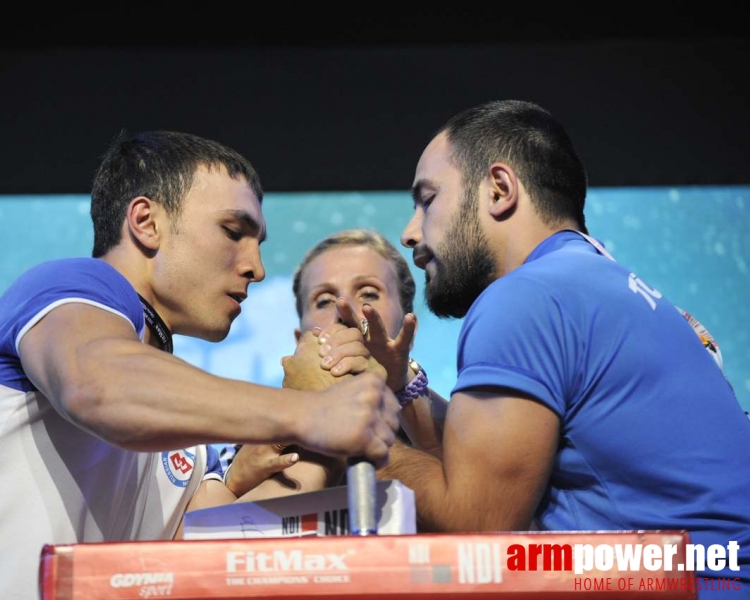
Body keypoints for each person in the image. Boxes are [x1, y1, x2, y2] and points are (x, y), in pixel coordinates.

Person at [0, 131, 400, 599]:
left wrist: (330, 421)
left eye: (259, 245)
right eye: (232, 231)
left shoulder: (173, 424)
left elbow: (201, 555)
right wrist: (308, 413)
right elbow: (100, 386)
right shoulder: (74, 286)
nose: (257, 267)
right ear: (146, 222)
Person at [318, 100, 750, 593]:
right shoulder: (601, 282)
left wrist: (336, 427)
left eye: (428, 199)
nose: (411, 230)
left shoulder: (525, 296)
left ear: (499, 190)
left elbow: (478, 524)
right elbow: (507, 452)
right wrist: (403, 387)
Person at [220, 228, 422, 493]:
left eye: (369, 294)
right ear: (299, 341)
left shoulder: (452, 443)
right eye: (324, 300)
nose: (343, 310)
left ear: (411, 328)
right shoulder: (246, 452)